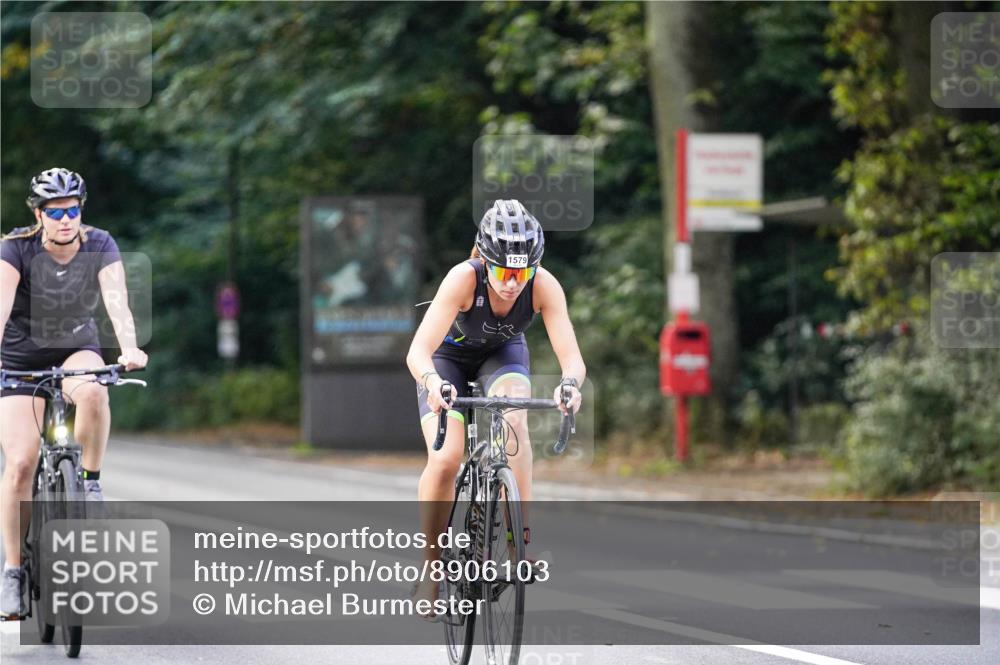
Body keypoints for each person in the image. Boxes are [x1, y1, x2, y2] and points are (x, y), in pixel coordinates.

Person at [406, 199, 584, 611]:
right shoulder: (463, 279)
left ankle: (518, 545)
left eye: (523, 272)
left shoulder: (543, 285)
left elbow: (572, 359)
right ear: (486, 262)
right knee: (446, 458)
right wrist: (432, 383)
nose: (513, 283)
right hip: (446, 362)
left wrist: (569, 385)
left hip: (502, 355)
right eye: (504, 272)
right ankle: (432, 568)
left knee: (516, 423)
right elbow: (418, 351)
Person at [0, 168, 148, 618]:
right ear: (38, 214)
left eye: (72, 210)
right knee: (21, 464)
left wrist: (128, 347)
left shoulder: (100, 244)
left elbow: (117, 301)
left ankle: (89, 481)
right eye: (55, 212)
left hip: (74, 350)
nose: (65, 220)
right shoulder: (15, 249)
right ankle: (13, 571)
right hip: (19, 360)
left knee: (95, 393)